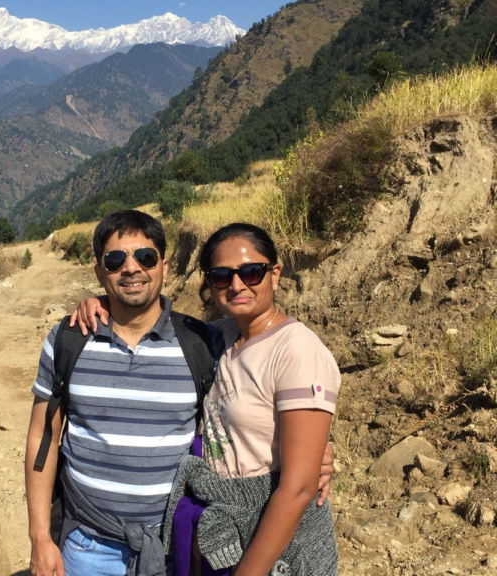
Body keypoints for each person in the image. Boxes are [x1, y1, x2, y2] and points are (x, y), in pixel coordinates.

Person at [25, 212, 334, 576]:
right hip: (89, 547)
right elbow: (42, 436)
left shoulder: (202, 343)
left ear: (165, 267)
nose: (131, 268)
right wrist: (40, 538)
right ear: (99, 272)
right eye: (115, 260)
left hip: (175, 548)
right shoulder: (72, 339)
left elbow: (288, 440)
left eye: (145, 257)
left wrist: (315, 455)